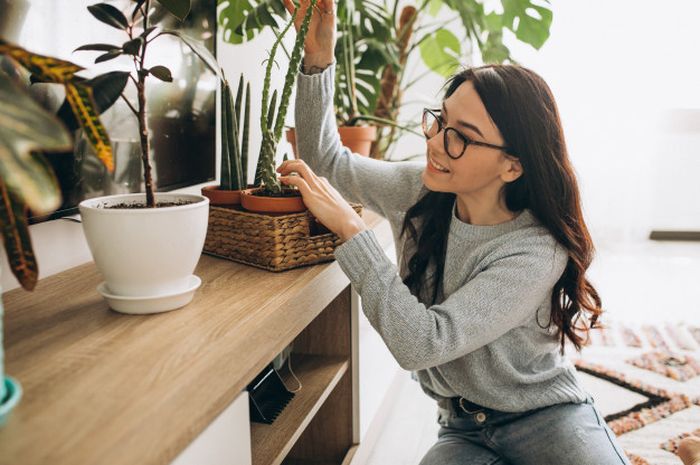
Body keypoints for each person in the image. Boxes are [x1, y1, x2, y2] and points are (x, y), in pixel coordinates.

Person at [277, 0, 631, 463]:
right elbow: (329, 164)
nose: (435, 142)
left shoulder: (537, 250)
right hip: (462, 430)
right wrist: (317, 60)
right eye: (440, 121)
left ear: (512, 165)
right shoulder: (420, 193)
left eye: (460, 136)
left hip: (545, 419)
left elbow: (424, 341)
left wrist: (351, 229)